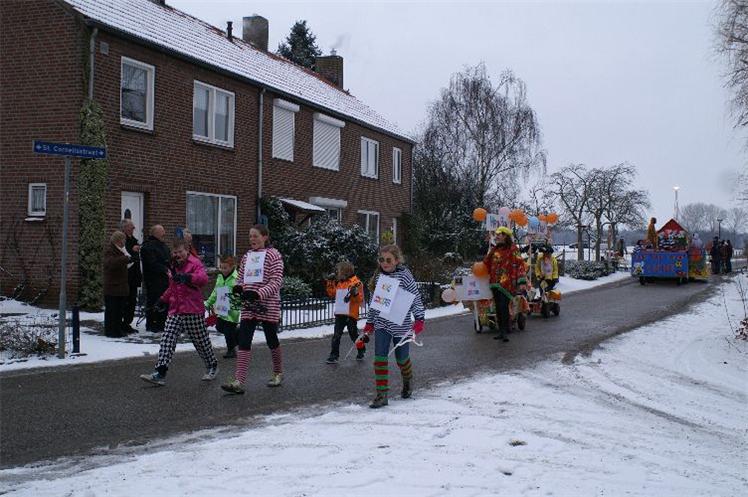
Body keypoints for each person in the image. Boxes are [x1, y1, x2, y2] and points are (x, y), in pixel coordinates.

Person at [140, 240, 218, 386]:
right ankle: (160, 372)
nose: (178, 255)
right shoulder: (173, 266)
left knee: (200, 341)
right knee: (167, 339)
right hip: (175, 310)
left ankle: (212, 365)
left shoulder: (195, 263)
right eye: (175, 252)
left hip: (192, 309)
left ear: (187, 251)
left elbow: (203, 279)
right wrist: (162, 300)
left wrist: (188, 277)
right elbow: (172, 287)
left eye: (180, 251)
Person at [221, 225, 285, 395]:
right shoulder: (247, 256)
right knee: (244, 339)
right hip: (248, 303)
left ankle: (278, 372)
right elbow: (241, 277)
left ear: (265, 237)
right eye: (250, 236)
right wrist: (238, 287)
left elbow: (276, 281)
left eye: (255, 236)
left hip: (267, 304)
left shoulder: (274, 255)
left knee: (271, 338)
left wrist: (258, 293)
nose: (252, 239)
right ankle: (239, 381)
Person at [361, 244, 425, 409]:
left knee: (401, 359)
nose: (384, 263)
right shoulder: (378, 277)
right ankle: (382, 394)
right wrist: (370, 323)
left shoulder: (405, 276)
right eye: (381, 259)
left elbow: (415, 297)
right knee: (380, 358)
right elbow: (375, 302)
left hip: (401, 324)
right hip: (382, 323)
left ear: (397, 260)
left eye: (388, 260)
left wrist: (419, 318)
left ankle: (407, 380)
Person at [484, 227, 527, 343]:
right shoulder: (495, 249)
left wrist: (522, 281)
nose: (497, 237)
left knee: (504, 306)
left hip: (507, 283)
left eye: (499, 235)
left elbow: (520, 264)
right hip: (495, 282)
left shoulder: (513, 249)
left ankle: (505, 331)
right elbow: (486, 262)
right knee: (498, 307)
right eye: (496, 235)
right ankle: (501, 331)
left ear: (505, 236)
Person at [324, 261, 365, 364]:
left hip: (351, 314)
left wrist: (355, 293)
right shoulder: (340, 283)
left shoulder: (356, 282)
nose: (337, 273)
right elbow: (332, 294)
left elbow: (359, 299)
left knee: (354, 335)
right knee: (336, 335)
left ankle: (361, 349)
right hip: (340, 313)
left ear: (345, 271)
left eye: (339, 271)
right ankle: (334, 355)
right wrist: (330, 282)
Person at [205, 255, 240, 358]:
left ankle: (231, 350)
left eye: (225, 268)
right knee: (219, 327)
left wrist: (233, 303)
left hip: (232, 310)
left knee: (228, 331)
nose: (223, 270)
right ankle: (238, 333)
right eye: (221, 267)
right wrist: (208, 303)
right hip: (221, 308)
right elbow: (215, 292)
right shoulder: (220, 278)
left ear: (232, 266)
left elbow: (239, 295)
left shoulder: (236, 278)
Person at [140, 225, 170, 332]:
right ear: (155, 233)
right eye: (162, 231)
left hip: (165, 280)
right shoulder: (148, 246)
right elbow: (151, 263)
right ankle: (152, 324)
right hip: (153, 280)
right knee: (154, 301)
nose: (164, 233)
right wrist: (165, 269)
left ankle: (162, 323)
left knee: (164, 301)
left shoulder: (164, 246)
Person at [103, 231, 131, 338]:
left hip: (121, 286)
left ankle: (118, 330)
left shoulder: (122, 250)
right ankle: (111, 331)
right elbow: (110, 263)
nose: (125, 241)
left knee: (119, 310)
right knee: (112, 310)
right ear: (118, 240)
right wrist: (125, 259)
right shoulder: (110, 250)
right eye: (123, 239)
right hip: (113, 286)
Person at [121, 219, 142, 334]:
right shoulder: (122, 241)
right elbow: (124, 255)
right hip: (126, 276)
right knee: (125, 300)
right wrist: (132, 250)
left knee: (132, 300)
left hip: (134, 275)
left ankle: (127, 322)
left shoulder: (134, 240)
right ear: (124, 228)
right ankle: (122, 323)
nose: (133, 228)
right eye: (131, 226)